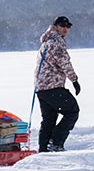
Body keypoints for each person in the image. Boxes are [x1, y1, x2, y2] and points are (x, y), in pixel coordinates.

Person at [34, 15, 80, 153]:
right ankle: (55, 143)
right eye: (62, 25)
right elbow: (64, 63)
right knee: (72, 111)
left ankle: (43, 150)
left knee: (49, 119)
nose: (65, 29)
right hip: (52, 86)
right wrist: (74, 80)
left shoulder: (47, 42)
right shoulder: (55, 43)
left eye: (68, 26)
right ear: (55, 26)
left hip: (42, 88)